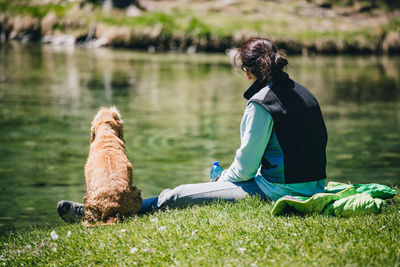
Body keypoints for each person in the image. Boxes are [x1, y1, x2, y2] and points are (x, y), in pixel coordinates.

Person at [57, 37, 328, 222]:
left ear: (247, 72)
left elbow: (245, 169)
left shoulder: (260, 105)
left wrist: (222, 181)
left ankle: (105, 213)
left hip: (281, 190)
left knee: (178, 195)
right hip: (314, 184)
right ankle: (104, 208)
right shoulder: (304, 93)